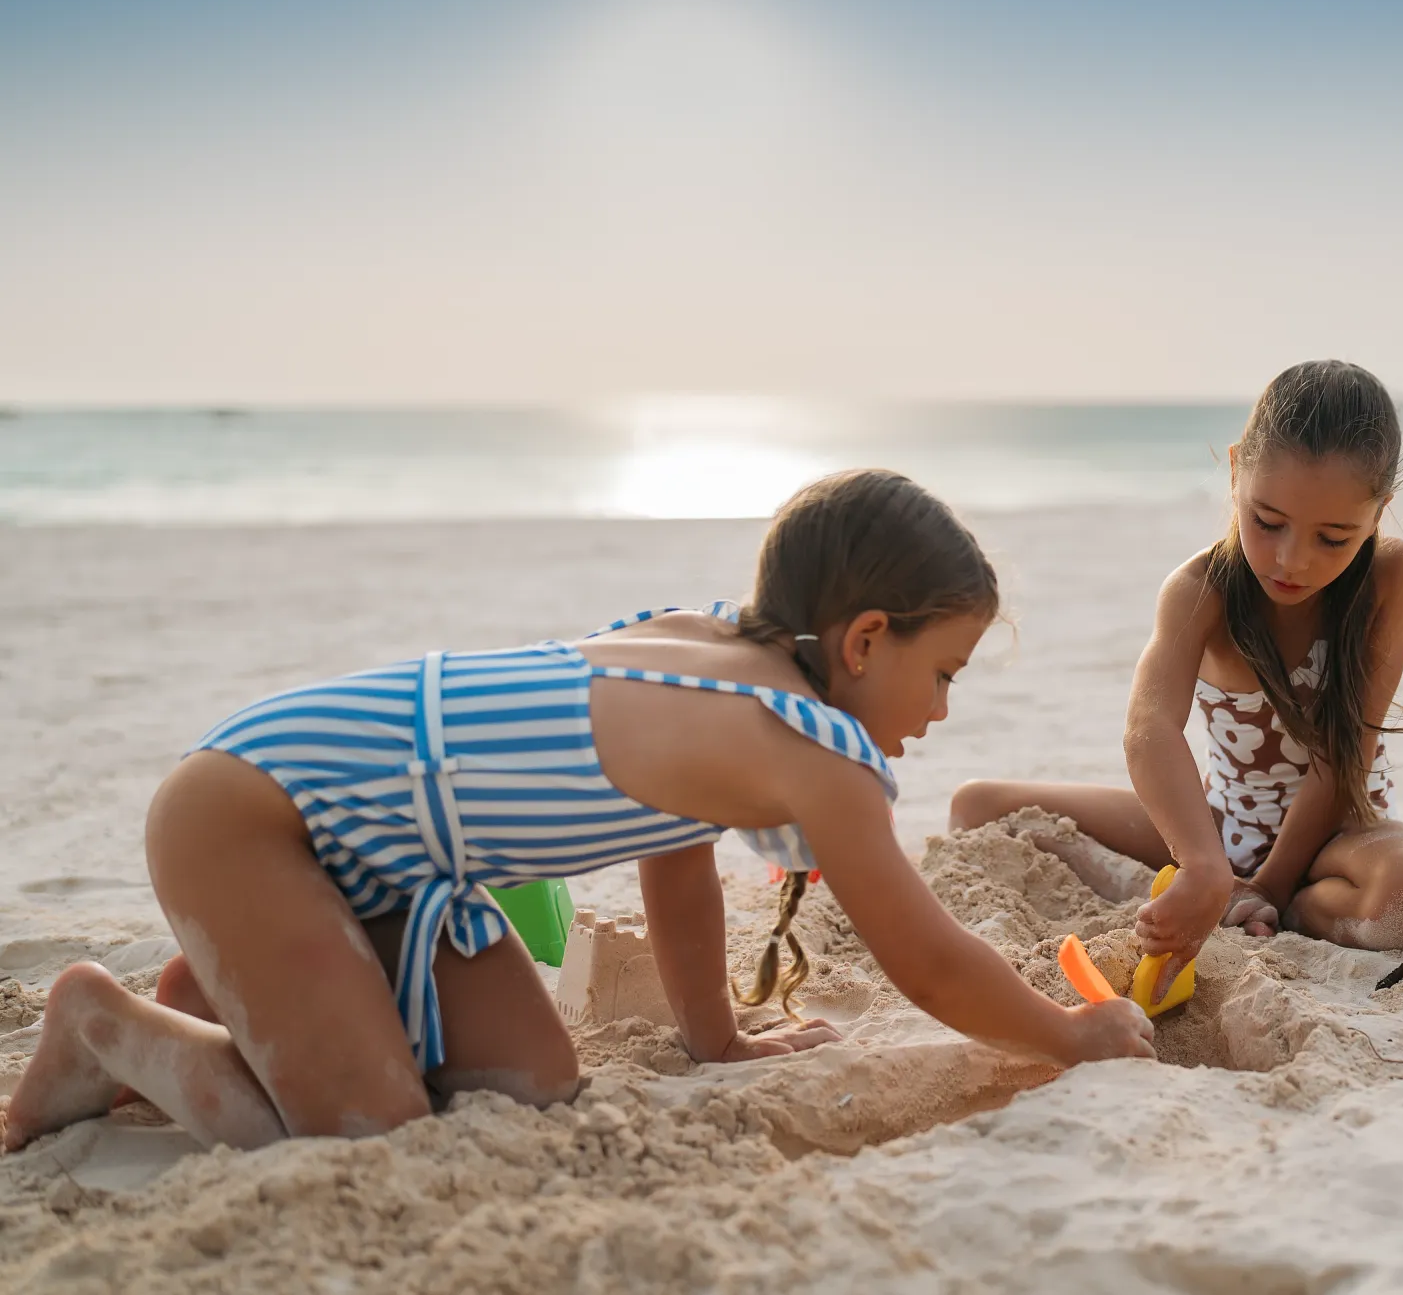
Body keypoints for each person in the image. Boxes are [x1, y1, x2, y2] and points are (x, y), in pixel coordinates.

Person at [1, 470, 1153, 1154]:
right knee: (374, 1137)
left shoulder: (722, 647)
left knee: (530, 1090)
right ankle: (104, 1024)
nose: (943, 707)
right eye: (945, 669)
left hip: (393, 862)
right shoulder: (818, 751)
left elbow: (677, 859)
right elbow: (927, 960)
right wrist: (1063, 1034)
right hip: (256, 814)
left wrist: (715, 1034)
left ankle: (237, 991)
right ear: (863, 641)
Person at [951, 361, 1403, 990]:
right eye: (1267, 522)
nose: (1292, 560)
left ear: (1380, 511)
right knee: (978, 807)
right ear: (1236, 467)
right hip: (1222, 831)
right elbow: (1150, 728)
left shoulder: (1391, 574)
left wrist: (1271, 884)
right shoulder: (1199, 592)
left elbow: (1344, 747)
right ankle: (1186, 891)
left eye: (1333, 537)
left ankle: (1286, 910)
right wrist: (1204, 865)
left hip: (1342, 838)